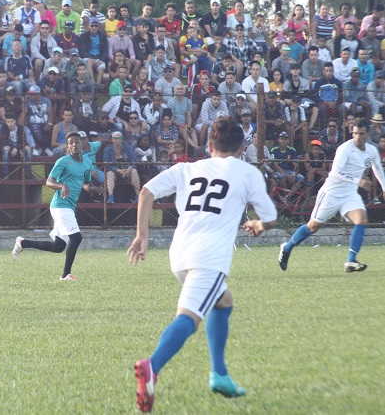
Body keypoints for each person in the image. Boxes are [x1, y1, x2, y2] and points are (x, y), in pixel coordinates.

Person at [127, 117, 277, 412]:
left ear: (209, 145)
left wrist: (142, 237)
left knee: (223, 302)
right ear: (242, 147)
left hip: (180, 252)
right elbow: (269, 216)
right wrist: (260, 224)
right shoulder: (247, 172)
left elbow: (146, 191)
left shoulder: (187, 168)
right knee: (189, 317)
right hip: (209, 258)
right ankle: (151, 366)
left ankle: (219, 375)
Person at [279, 120, 385, 273]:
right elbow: (335, 173)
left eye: (361, 134)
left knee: (361, 219)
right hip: (332, 192)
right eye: (355, 133)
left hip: (349, 193)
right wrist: (359, 180)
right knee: (313, 226)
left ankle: (350, 260)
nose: (357, 137)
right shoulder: (345, 149)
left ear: (366, 134)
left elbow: (378, 169)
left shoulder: (371, 151)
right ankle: (287, 247)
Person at [12, 132, 89, 281]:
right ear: (67, 146)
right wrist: (61, 186)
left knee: (58, 247)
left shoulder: (86, 162)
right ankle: (66, 275)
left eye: (77, 142)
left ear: (82, 144)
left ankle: (23, 243)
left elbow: (84, 181)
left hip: (70, 206)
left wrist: (91, 188)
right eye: (71, 142)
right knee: (76, 238)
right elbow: (49, 182)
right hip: (60, 205)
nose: (74, 144)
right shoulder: (63, 161)